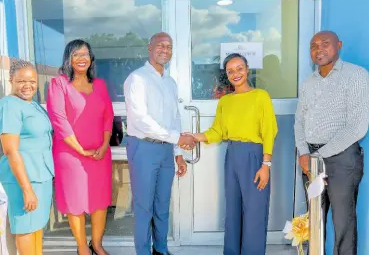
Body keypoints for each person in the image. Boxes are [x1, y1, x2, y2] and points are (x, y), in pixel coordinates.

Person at [192, 53, 278, 255]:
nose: (235, 74)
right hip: (232, 156)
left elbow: (269, 131)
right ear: (227, 75)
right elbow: (217, 132)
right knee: (233, 210)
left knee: (255, 210)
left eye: (239, 68)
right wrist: (194, 137)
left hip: (254, 156)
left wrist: (266, 165)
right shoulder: (225, 102)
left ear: (247, 69)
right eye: (230, 71)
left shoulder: (260, 96)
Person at [294, 30, 369, 255]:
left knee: (343, 220)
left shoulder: (356, 75)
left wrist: (318, 156)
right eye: (314, 46)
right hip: (310, 158)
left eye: (325, 44)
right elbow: (299, 121)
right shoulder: (308, 83)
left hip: (342, 158)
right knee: (314, 219)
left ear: (339, 45)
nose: (319, 49)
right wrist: (304, 153)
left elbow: (358, 126)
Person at [124, 32, 194, 255]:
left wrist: (177, 153)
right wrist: (177, 139)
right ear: (150, 47)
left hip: (165, 151)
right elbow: (140, 120)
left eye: (169, 46)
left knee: (162, 205)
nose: (165, 50)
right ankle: (143, 252)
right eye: (160, 45)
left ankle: (161, 250)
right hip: (143, 148)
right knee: (144, 207)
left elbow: (174, 118)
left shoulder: (171, 83)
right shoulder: (137, 79)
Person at [46, 39, 114, 255]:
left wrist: (104, 144)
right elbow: (58, 119)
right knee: (75, 201)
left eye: (85, 54)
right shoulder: (59, 84)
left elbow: (108, 116)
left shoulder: (101, 85)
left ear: (91, 58)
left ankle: (97, 244)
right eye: (76, 54)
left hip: (99, 154)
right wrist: (81, 150)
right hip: (70, 155)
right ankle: (83, 247)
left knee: (100, 200)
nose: (81, 58)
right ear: (69, 59)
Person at [0, 60, 54, 255]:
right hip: (24, 179)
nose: (27, 86)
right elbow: (11, 151)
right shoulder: (9, 105)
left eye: (32, 81)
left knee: (36, 226)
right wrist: (27, 189)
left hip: (41, 176)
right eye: (21, 81)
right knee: (26, 228)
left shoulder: (32, 104)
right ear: (10, 80)